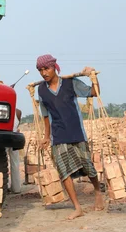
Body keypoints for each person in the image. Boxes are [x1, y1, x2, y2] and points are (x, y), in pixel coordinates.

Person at [35, 54, 104, 220]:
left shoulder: (70, 83)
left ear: (54, 68)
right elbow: (45, 115)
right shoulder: (41, 90)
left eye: (46, 68)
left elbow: (94, 92)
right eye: (40, 70)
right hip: (58, 136)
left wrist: (92, 76)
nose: (44, 73)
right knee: (64, 172)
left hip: (77, 133)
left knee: (88, 168)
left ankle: (97, 191)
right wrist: (46, 136)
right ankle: (77, 207)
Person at [0, 80, 22, 194]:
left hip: (4, 138)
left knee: (2, 163)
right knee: (15, 163)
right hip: (13, 137)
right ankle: (16, 188)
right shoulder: (18, 112)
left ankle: (2, 187)